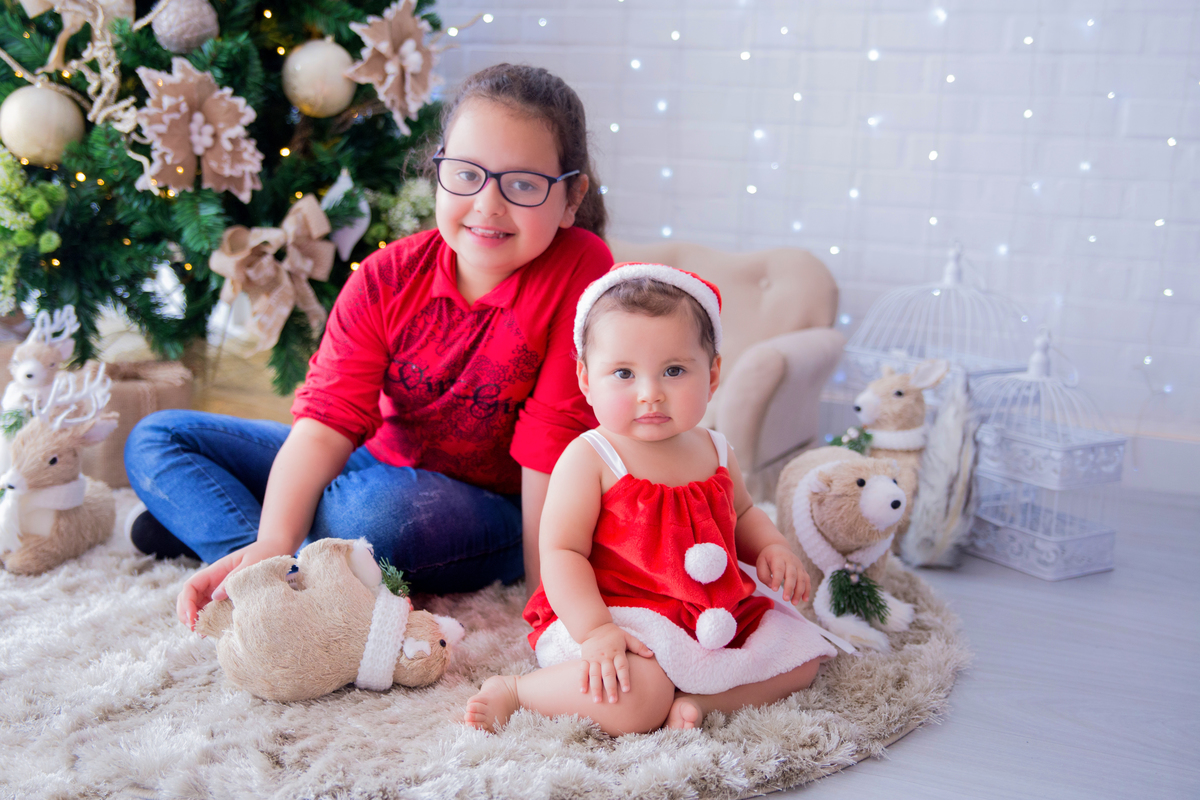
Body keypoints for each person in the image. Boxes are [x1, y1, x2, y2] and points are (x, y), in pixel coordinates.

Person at [122, 63, 613, 628]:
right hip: (372, 459)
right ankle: (266, 562)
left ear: (571, 197)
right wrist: (273, 541)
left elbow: (549, 444)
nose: (488, 204)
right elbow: (328, 422)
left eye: (523, 184)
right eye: (466, 174)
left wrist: (545, 604)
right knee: (158, 439)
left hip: (487, 507)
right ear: (439, 170)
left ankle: (229, 529)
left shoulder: (581, 266)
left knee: (370, 513)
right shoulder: (387, 276)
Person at [464, 264, 838, 736]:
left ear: (713, 374)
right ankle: (519, 691)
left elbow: (741, 513)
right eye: (623, 373)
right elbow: (562, 552)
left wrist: (772, 547)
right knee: (635, 698)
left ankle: (698, 701)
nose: (650, 394)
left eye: (675, 370)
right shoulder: (592, 457)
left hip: (710, 610)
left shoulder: (716, 448)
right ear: (585, 378)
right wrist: (596, 630)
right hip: (619, 615)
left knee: (801, 656)